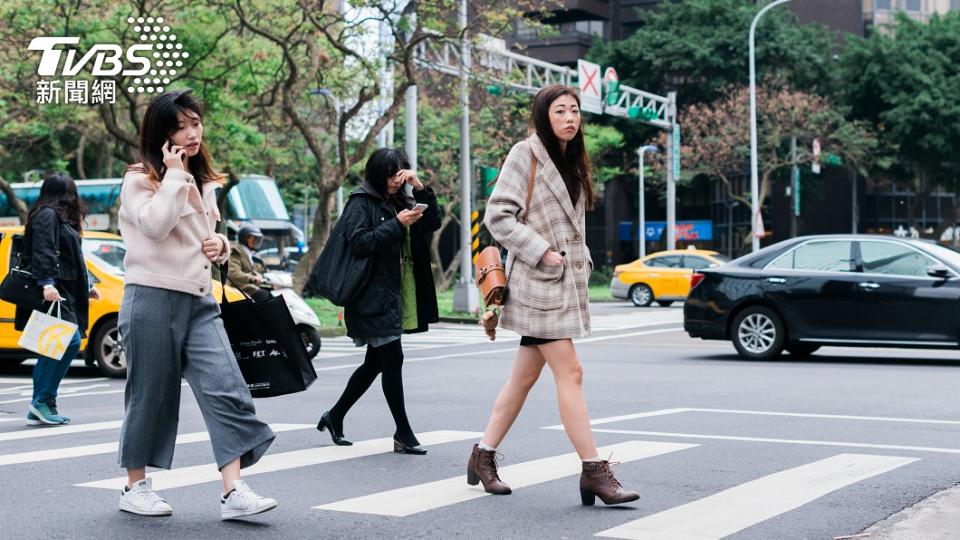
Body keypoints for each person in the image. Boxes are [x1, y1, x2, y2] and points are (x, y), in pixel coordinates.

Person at [469, 85, 640, 506]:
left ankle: (482, 456)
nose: (569, 117)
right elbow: (498, 214)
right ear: (544, 116)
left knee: (523, 379)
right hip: (536, 282)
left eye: (575, 110)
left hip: (561, 281)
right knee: (572, 373)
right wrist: (540, 249)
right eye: (560, 110)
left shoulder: (570, 160)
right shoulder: (524, 154)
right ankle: (594, 471)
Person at [116, 89, 277, 520]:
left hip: (200, 300)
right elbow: (153, 226)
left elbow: (206, 242)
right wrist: (171, 176)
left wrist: (221, 244)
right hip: (151, 297)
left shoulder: (206, 182)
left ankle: (233, 491)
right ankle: (135, 486)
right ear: (162, 133)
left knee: (227, 387)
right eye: (181, 126)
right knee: (150, 396)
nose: (191, 134)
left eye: (196, 123)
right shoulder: (139, 178)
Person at [316, 148, 440, 455]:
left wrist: (420, 187)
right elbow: (359, 243)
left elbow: (432, 223)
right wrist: (397, 224)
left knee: (376, 362)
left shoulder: (402, 200)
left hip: (393, 295)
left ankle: (335, 415)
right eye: (389, 174)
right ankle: (403, 432)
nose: (395, 181)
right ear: (376, 174)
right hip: (370, 296)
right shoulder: (361, 202)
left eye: (399, 174)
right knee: (392, 360)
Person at [14, 172, 99, 426]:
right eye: (70, 192)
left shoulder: (58, 218)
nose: (73, 198)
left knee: (50, 347)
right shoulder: (47, 215)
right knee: (68, 342)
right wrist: (47, 283)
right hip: (54, 291)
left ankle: (40, 405)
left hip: (65, 290)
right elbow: (44, 250)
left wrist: (88, 285)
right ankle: (43, 401)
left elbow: (72, 257)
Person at [228, 225, 272, 302]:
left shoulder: (254, 254)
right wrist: (252, 278)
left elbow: (262, 270)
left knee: (273, 292)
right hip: (239, 287)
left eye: (258, 239)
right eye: (253, 239)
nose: (256, 242)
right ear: (244, 238)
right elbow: (233, 273)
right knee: (264, 295)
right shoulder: (235, 251)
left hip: (253, 286)